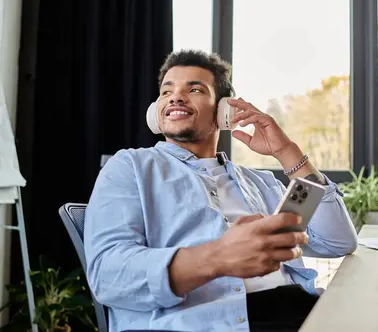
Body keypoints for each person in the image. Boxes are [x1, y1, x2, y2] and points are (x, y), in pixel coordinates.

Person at [84, 49, 358, 332]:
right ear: (156, 111)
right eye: (167, 92)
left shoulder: (260, 183)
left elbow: (336, 241)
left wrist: (287, 152)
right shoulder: (131, 167)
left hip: (297, 312)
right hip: (198, 323)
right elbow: (108, 276)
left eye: (194, 89)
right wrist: (218, 257)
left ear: (224, 111)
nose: (176, 97)